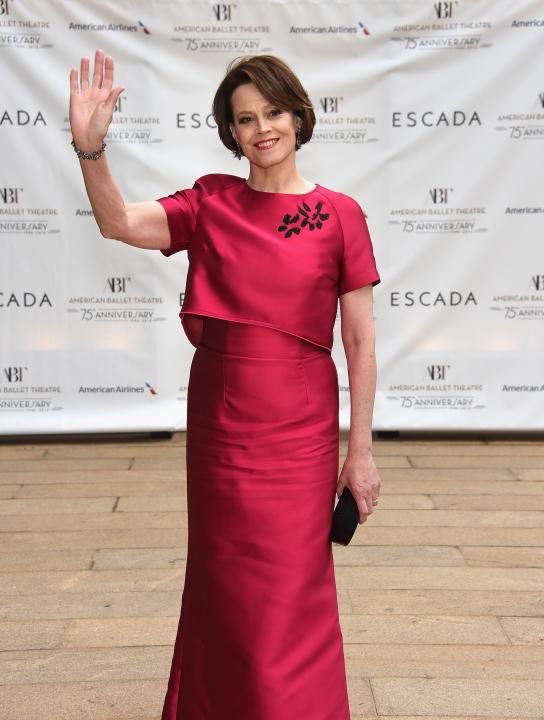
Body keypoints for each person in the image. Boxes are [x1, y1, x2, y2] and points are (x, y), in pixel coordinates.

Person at [69, 48, 382, 720]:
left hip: (300, 434)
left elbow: (359, 342)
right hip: (222, 431)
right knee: (225, 587)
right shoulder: (211, 203)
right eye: (245, 119)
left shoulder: (341, 215)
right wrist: (91, 150)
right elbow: (118, 222)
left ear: (298, 117)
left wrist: (359, 453)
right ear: (231, 133)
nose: (262, 128)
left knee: (293, 593)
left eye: (273, 112)